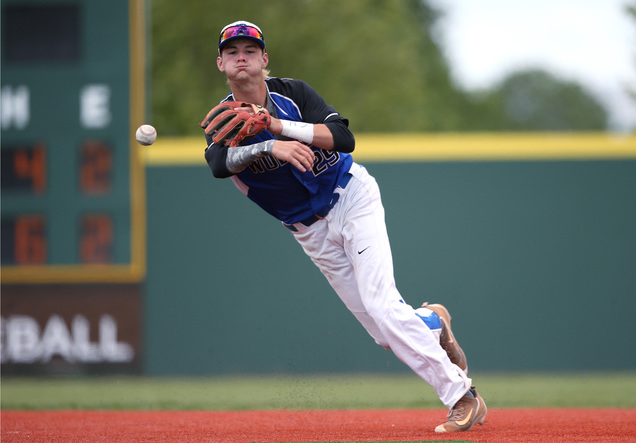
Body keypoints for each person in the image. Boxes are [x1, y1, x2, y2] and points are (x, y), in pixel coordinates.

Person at [201, 20, 487, 433]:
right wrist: (268, 144)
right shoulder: (224, 121)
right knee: (386, 332)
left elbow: (343, 137)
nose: (241, 56)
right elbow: (216, 164)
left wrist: (278, 126)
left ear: (265, 59)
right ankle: (431, 322)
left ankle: (463, 397)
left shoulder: (293, 94)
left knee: (383, 307)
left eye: (249, 50)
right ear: (221, 64)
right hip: (308, 230)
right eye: (232, 52)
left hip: (350, 198)